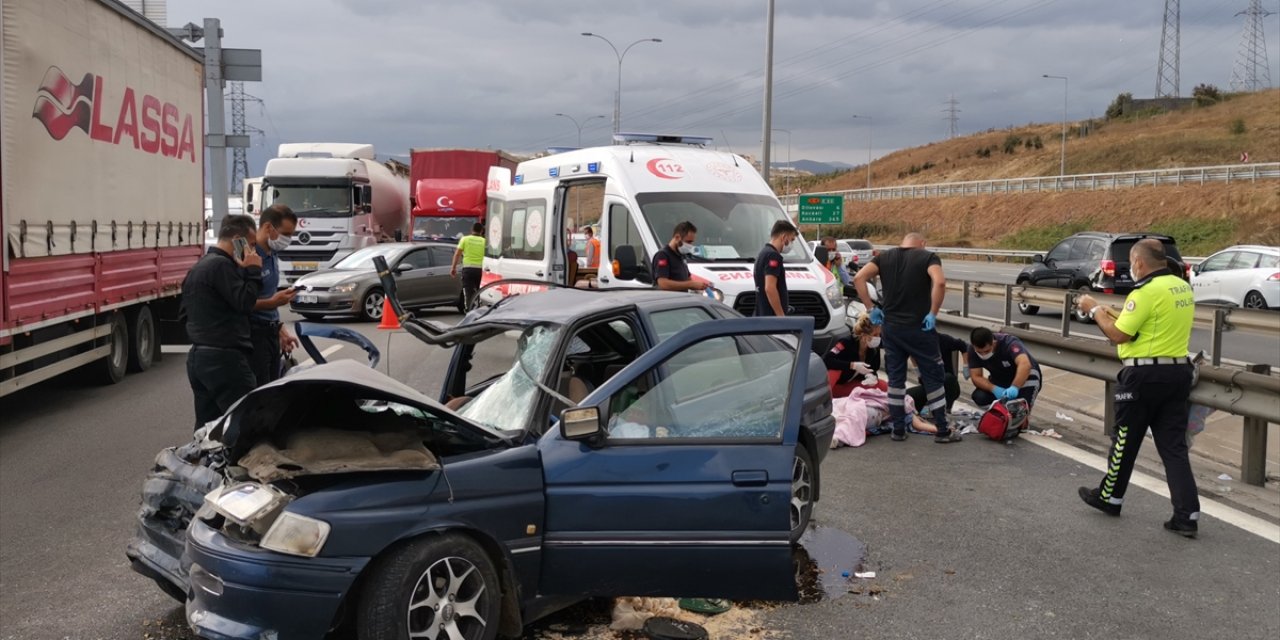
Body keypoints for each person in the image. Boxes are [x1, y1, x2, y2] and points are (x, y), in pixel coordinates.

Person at [1076, 239, 1200, 537]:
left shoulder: (1143, 292)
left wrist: (1094, 310)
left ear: (1139, 263)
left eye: (1131, 263)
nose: (1131, 268)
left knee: (1124, 440)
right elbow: (1149, 326)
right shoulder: (1181, 287)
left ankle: (1109, 498)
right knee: (1174, 448)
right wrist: (1112, 312)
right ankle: (1187, 515)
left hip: (1143, 376)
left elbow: (1120, 335)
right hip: (1178, 373)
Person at [853, 232, 959, 443]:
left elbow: (859, 278)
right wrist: (933, 313)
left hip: (892, 329)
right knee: (933, 378)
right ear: (922, 243)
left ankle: (898, 429)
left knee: (896, 380)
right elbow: (939, 282)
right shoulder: (927, 257)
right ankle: (942, 430)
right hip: (920, 328)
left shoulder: (884, 257)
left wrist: (870, 307)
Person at [183, 214, 263, 429]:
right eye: (252, 245)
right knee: (246, 421)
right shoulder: (222, 267)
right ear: (238, 239)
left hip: (199, 356)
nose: (254, 251)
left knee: (207, 427)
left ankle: (203, 462)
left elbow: (184, 313)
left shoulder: (199, 267)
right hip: (226, 358)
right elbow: (245, 302)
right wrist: (254, 270)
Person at [247, 204, 299, 386]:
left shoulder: (272, 253)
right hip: (253, 334)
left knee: (273, 390)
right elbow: (240, 301)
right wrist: (272, 302)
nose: (288, 240)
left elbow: (268, 294)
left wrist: (281, 330)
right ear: (268, 227)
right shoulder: (248, 255)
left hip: (270, 333)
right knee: (259, 394)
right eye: (286, 234)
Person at [967, 327, 1042, 412]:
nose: (983, 355)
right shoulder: (972, 350)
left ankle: (1022, 419)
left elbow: (1025, 364)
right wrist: (994, 388)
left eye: (987, 351)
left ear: (994, 343)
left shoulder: (1009, 343)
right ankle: (1002, 414)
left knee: (1020, 409)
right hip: (1000, 378)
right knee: (980, 397)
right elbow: (976, 377)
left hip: (1026, 376)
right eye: (979, 352)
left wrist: (1015, 387)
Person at [906, 332, 968, 415]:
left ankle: (943, 411)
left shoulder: (943, 339)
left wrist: (966, 365)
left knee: (948, 378)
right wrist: (917, 370)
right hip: (930, 389)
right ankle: (923, 412)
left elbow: (963, 346)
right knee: (906, 397)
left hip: (947, 387)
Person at [823, 312, 883, 397]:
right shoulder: (846, 342)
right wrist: (852, 365)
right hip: (835, 385)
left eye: (879, 334)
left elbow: (874, 369)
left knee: (884, 387)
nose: (878, 338)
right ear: (863, 335)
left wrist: (871, 377)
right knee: (834, 371)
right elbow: (827, 360)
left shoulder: (874, 349)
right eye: (875, 335)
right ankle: (824, 399)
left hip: (851, 384)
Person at [753, 220, 798, 317]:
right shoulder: (773, 256)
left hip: (762, 314)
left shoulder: (763, 253)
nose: (791, 244)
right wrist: (781, 316)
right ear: (784, 237)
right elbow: (770, 288)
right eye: (792, 239)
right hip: (771, 318)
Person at [652, 221, 710, 292]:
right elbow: (663, 284)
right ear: (677, 237)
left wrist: (700, 285)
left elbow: (688, 280)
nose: (690, 245)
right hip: (668, 300)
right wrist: (690, 284)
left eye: (692, 242)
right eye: (688, 242)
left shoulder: (681, 255)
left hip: (681, 299)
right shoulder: (663, 255)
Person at [450, 222, 486, 309]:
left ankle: (469, 310)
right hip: (480, 270)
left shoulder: (464, 239)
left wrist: (453, 268)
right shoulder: (484, 241)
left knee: (468, 292)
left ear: (471, 230)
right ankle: (478, 308)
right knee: (478, 290)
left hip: (468, 269)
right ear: (481, 231)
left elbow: (457, 254)